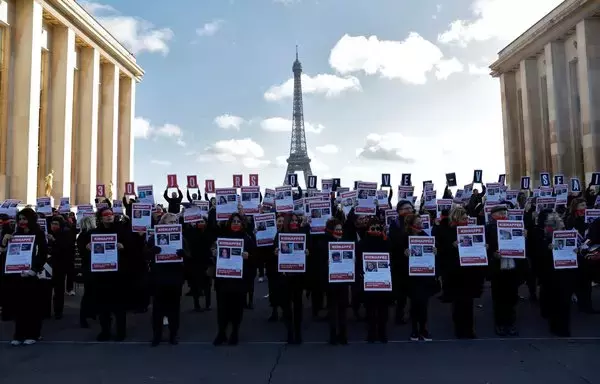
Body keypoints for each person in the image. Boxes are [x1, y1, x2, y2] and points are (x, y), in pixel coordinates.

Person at [3, 208, 48, 346]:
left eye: (25, 219)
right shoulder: (15, 234)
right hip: (17, 276)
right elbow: (6, 254)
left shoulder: (39, 234)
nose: (22, 221)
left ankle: (33, 333)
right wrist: (4, 241)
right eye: (20, 219)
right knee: (18, 305)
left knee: (32, 306)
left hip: (32, 276)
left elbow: (43, 254)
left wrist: (34, 269)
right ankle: (19, 334)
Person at [147, 213, 188, 346]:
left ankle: (173, 334)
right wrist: (152, 251)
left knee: (174, 309)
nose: (173, 224)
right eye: (170, 222)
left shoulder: (181, 238)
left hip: (175, 277)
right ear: (163, 223)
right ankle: (157, 335)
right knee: (158, 309)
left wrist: (184, 254)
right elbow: (144, 254)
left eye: (175, 221)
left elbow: (189, 255)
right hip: (159, 277)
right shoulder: (154, 238)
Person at [213, 213, 252, 346]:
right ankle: (221, 333)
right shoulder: (222, 238)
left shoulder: (247, 238)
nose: (236, 223)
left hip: (239, 280)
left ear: (242, 223)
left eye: (238, 221)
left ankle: (235, 332)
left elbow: (255, 258)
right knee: (222, 308)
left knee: (237, 308)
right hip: (223, 280)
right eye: (233, 221)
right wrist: (214, 252)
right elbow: (215, 253)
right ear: (229, 223)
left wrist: (249, 256)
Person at [357, 216, 391, 343]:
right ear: (368, 229)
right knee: (370, 308)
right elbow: (359, 259)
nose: (376, 230)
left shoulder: (386, 241)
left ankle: (382, 332)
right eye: (373, 228)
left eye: (378, 228)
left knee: (383, 309)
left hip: (384, 280)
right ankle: (371, 332)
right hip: (369, 280)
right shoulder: (363, 243)